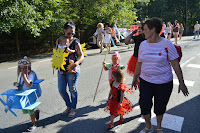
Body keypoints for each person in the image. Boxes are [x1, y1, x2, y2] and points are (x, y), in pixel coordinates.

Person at [131, 18, 189, 133]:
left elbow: (175, 65)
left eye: (145, 29)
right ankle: (148, 126)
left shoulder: (167, 44)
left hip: (163, 83)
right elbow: (139, 62)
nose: (143, 32)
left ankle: (158, 126)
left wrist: (182, 83)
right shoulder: (143, 44)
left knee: (160, 107)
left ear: (153, 30)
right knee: (144, 104)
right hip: (145, 81)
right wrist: (134, 78)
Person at [56, 21, 84, 117]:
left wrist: (75, 64)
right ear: (64, 31)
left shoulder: (75, 41)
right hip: (61, 70)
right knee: (61, 90)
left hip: (73, 70)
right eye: (69, 33)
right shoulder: (59, 40)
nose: (70, 35)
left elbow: (81, 56)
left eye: (73, 33)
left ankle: (73, 108)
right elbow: (56, 54)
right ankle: (68, 105)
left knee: (72, 89)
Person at [13, 56, 40, 132]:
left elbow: (29, 85)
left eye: (24, 68)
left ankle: (33, 124)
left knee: (30, 110)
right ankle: (35, 112)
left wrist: (25, 77)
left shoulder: (31, 75)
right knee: (26, 111)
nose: (22, 70)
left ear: (28, 68)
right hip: (23, 95)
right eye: (21, 69)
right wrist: (17, 84)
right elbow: (22, 85)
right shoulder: (21, 76)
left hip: (30, 96)